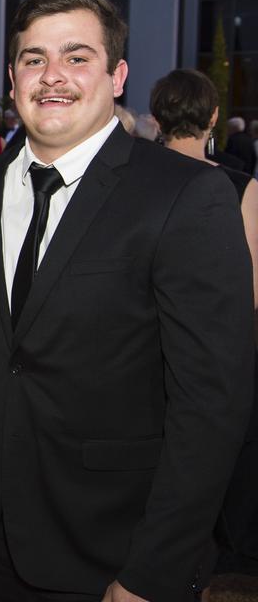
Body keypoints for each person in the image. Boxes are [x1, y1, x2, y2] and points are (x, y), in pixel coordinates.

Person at [0, 0, 253, 602]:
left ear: (117, 75)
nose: (52, 77)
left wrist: (151, 573)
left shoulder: (184, 195)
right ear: (12, 76)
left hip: (113, 553)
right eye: (34, 58)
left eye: (77, 57)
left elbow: (212, 403)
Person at [150, 68, 258, 581]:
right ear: (214, 117)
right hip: (221, 353)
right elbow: (251, 292)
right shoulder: (241, 186)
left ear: (156, 117)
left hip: (144, 351)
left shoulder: (133, 179)